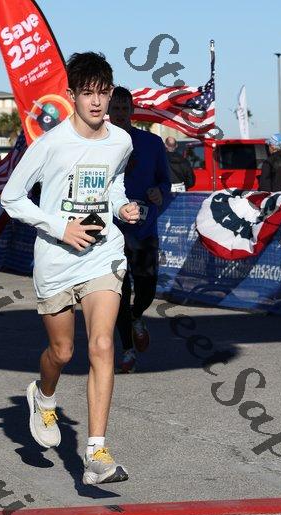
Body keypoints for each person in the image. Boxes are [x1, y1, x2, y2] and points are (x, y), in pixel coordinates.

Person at [1, 53, 139, 485]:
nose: (96, 102)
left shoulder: (121, 141)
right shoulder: (50, 144)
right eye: (87, 93)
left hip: (103, 254)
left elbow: (114, 183)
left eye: (103, 93)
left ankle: (96, 452)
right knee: (62, 352)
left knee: (102, 344)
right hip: (57, 260)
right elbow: (11, 197)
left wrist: (123, 206)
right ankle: (43, 396)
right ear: (71, 95)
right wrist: (61, 229)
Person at [108, 87, 171, 374]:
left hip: (144, 230)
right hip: (112, 231)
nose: (120, 114)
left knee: (147, 287)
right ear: (108, 111)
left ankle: (137, 316)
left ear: (132, 111)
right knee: (119, 291)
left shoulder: (151, 143)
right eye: (116, 109)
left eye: (125, 109)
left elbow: (165, 181)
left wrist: (159, 192)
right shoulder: (99, 143)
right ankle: (127, 350)